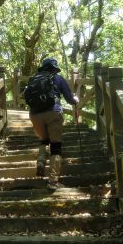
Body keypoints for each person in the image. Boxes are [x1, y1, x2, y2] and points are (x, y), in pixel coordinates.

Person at [28, 58, 78, 190]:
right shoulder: (58, 79)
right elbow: (69, 98)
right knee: (55, 146)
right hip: (53, 113)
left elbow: (26, 96)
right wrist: (75, 100)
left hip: (34, 115)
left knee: (43, 140)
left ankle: (40, 161)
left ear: (43, 67)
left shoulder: (33, 79)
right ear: (54, 68)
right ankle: (53, 181)